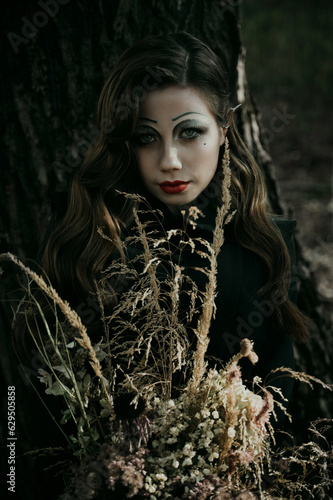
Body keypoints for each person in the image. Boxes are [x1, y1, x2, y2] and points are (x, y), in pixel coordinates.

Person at [21, 32, 311, 438]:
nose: (169, 160)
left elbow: (277, 390)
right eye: (146, 137)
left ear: (225, 126)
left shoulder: (266, 242)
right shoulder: (85, 230)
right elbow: (33, 390)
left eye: (189, 132)